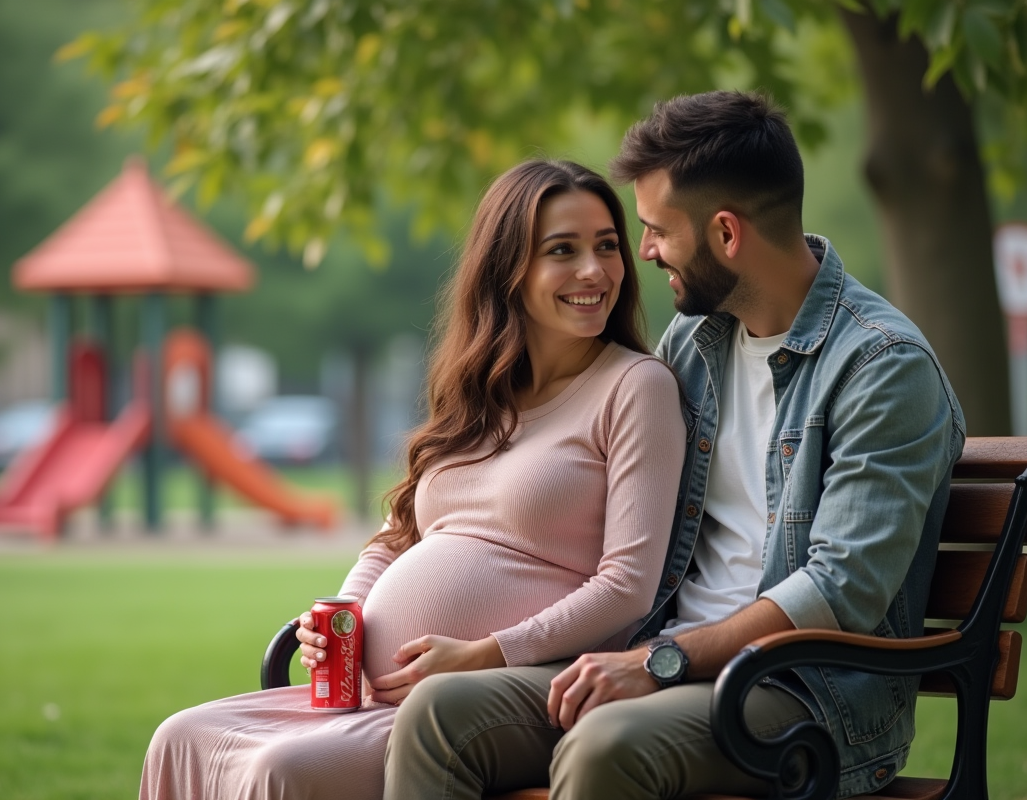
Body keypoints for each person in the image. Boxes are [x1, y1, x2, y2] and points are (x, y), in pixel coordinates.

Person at [383, 91, 966, 799]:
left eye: (657, 231)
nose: (646, 252)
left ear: (726, 233)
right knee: (439, 715)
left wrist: (656, 662)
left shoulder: (881, 366)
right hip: (656, 659)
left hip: (800, 693)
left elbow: (839, 591)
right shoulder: (695, 342)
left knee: (606, 746)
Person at [139, 159, 686, 800]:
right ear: (507, 269)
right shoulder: (480, 396)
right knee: (178, 736)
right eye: (562, 251)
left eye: (607, 246)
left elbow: (627, 587)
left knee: (276, 771)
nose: (594, 271)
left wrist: (484, 654)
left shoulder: (635, 388)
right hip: (370, 695)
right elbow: (395, 536)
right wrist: (344, 621)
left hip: (498, 697)